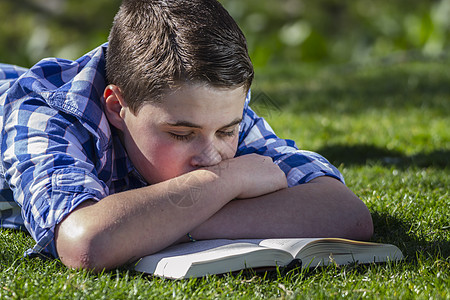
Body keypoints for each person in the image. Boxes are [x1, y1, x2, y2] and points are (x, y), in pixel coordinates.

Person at [0, 0, 373, 271]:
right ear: (117, 107)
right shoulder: (49, 109)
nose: (211, 157)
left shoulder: (205, 107)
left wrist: (152, 224)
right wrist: (229, 180)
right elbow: (85, 242)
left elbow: (347, 214)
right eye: (181, 134)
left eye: (228, 131)